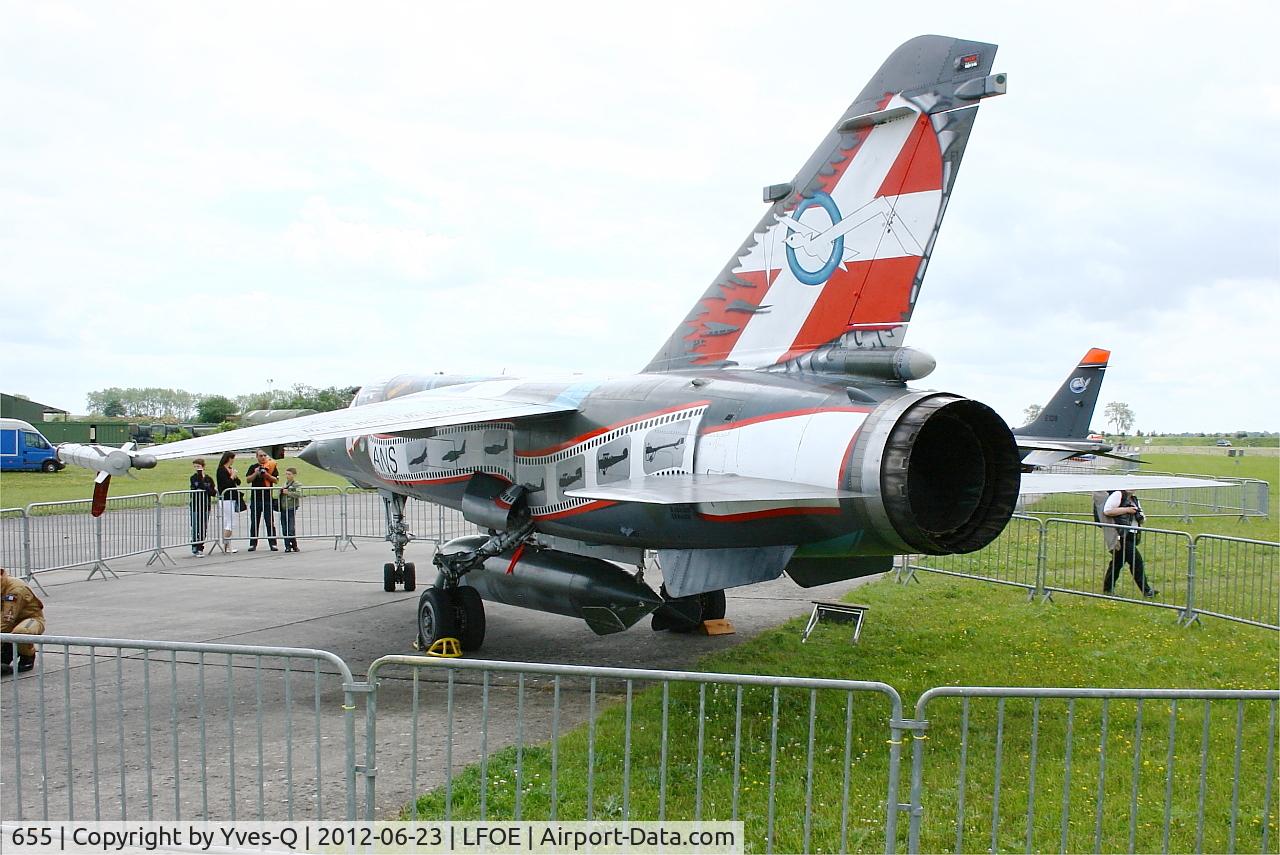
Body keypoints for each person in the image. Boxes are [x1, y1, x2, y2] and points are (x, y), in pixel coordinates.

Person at [1097, 489, 1157, 598]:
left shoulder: (1134, 499)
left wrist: (1140, 516)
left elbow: (1142, 516)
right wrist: (1127, 510)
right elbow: (1107, 511)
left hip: (1132, 533)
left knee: (1117, 563)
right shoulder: (1118, 494)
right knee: (1136, 562)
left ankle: (1107, 589)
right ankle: (1146, 590)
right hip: (1122, 534)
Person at [1, 567, 46, 676]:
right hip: (5, 621)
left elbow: (7, 620)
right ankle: (7, 651)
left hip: (30, 619)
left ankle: (28, 656)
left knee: (21, 632)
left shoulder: (15, 589)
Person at [244, 448, 279, 552]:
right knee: (254, 522)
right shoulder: (253, 467)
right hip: (256, 498)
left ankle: (273, 543)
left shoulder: (271, 466)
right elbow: (248, 480)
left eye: (264, 455)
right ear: (257, 457)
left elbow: (276, 480)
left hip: (267, 499)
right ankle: (253, 544)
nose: (263, 457)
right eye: (261, 456)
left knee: (269, 522)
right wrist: (256, 473)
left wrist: (266, 475)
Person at [189, 458, 217, 556]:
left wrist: (207, 487)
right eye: (195, 467)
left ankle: (201, 546)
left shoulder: (209, 479)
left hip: (205, 506)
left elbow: (213, 492)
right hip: (196, 506)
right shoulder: (193, 478)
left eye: (199, 466)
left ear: (203, 466)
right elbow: (197, 487)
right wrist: (201, 479)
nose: (197, 469)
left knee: (203, 528)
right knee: (195, 527)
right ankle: (194, 545)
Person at [215, 450, 241, 554]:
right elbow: (225, 484)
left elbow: (237, 482)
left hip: (232, 497)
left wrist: (234, 475)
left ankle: (227, 546)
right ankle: (226, 545)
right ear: (229, 458)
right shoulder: (221, 470)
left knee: (228, 521)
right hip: (226, 498)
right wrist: (231, 476)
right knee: (230, 522)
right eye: (233, 458)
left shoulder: (229, 469)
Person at [278, 467, 302, 552]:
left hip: (291, 508)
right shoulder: (284, 483)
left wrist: (288, 493)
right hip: (283, 508)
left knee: (291, 528)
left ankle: (294, 545)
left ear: (294, 475)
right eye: (286, 474)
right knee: (284, 528)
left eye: (289, 474)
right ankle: (287, 546)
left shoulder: (296, 484)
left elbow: (299, 493)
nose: (287, 476)